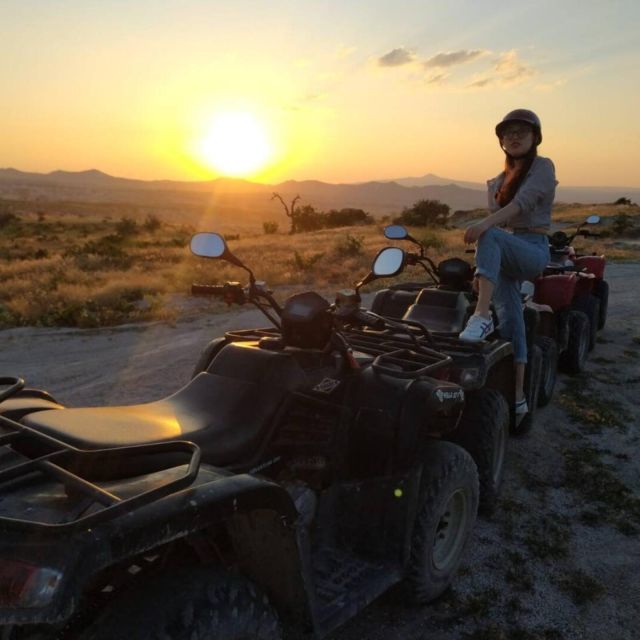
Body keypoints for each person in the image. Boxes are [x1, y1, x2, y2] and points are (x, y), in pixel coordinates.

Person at [458, 109, 556, 416]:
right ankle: (518, 397)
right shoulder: (497, 181)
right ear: (501, 141)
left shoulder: (542, 167)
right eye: (507, 133)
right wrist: (484, 270)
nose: (513, 138)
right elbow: (499, 229)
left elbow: (521, 205)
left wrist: (484, 225)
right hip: (505, 249)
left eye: (520, 132)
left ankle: (481, 314)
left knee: (490, 234)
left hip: (532, 248)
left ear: (535, 138)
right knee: (514, 323)